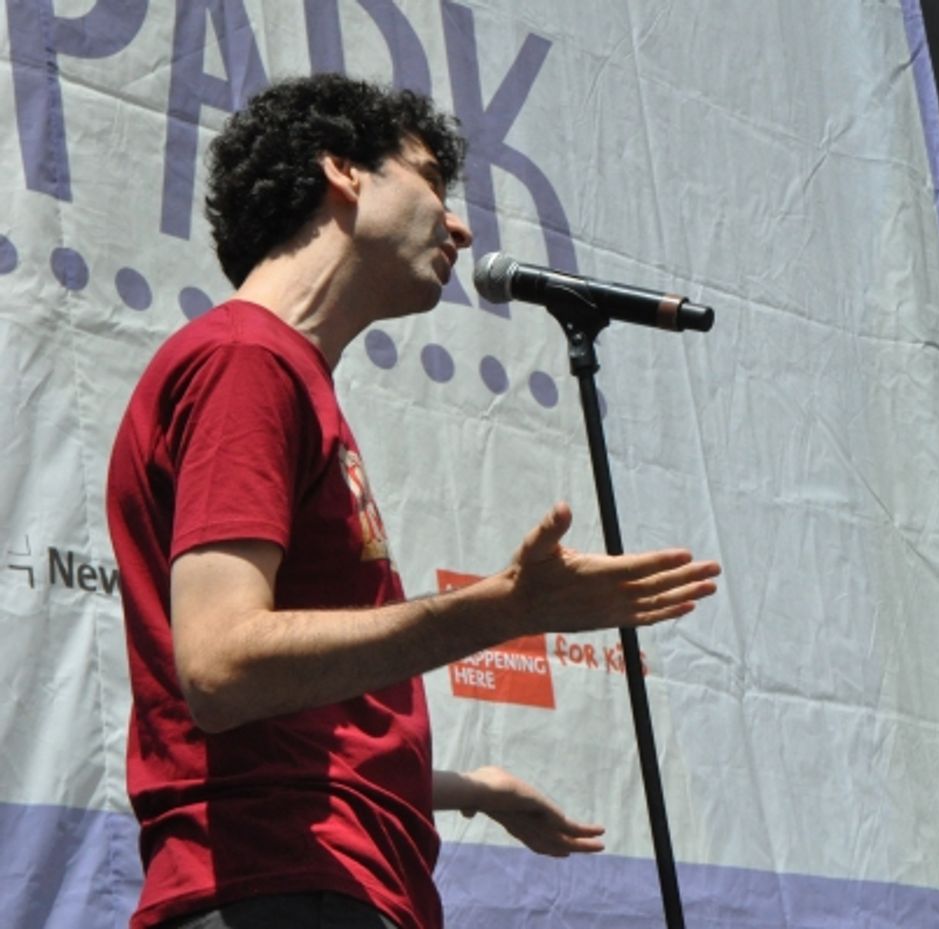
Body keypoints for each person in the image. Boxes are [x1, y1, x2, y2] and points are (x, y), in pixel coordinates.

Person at [105, 74, 721, 929]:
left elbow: (290, 728)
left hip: (320, 879)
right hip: (280, 884)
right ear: (343, 172)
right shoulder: (248, 358)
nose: (461, 225)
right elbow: (220, 666)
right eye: (433, 178)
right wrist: (499, 610)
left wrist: (467, 789)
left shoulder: (278, 371)